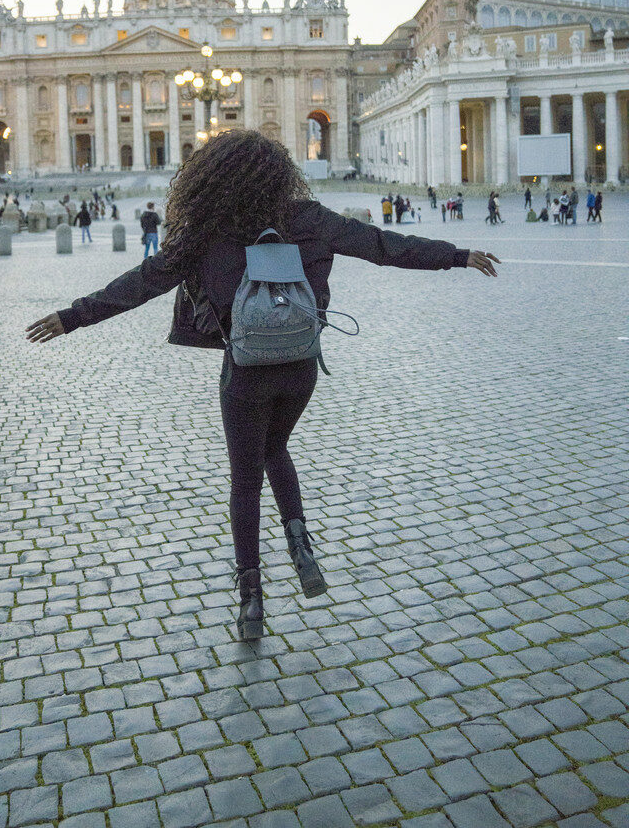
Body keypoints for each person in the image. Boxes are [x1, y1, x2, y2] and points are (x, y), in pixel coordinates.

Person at [26, 130, 500, 641]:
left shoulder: (206, 230)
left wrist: (71, 318)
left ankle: (251, 599)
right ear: (280, 174)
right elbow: (386, 246)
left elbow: (140, 283)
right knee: (277, 447)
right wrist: (457, 254)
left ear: (210, 178)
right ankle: (299, 541)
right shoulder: (311, 220)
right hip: (301, 365)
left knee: (245, 480)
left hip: (246, 369)